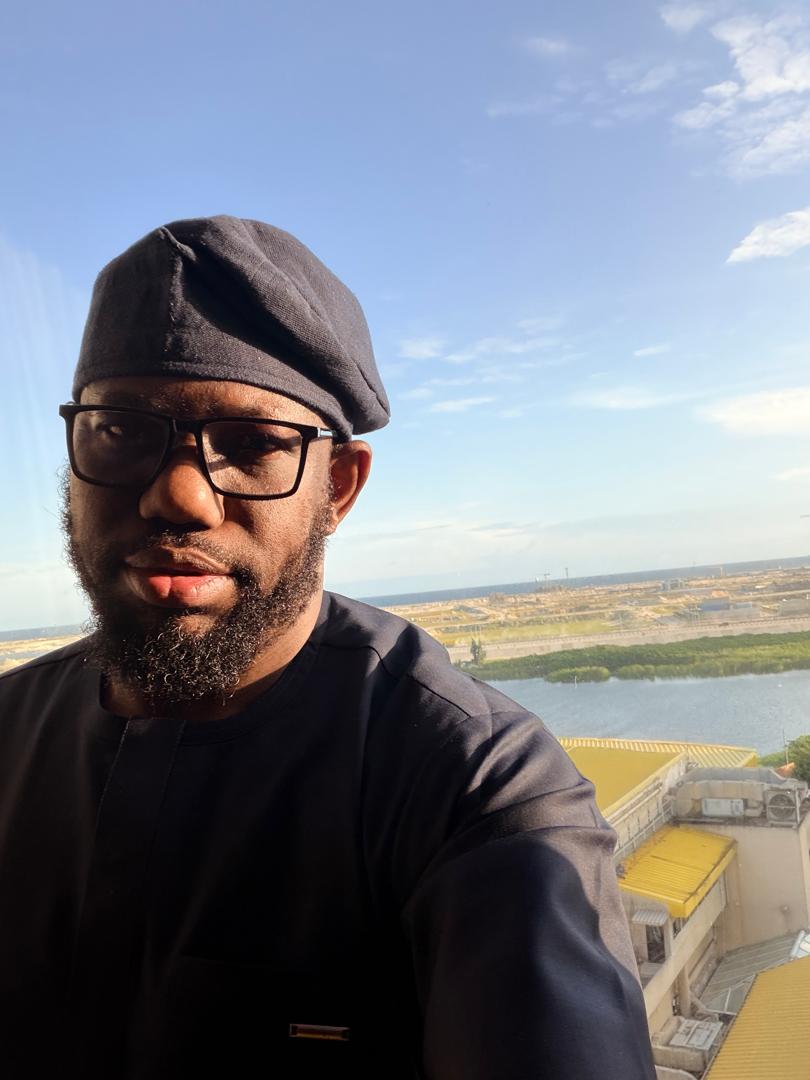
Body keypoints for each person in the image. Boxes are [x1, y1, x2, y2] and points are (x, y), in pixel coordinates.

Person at [0, 216, 655, 1079]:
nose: (179, 497)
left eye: (251, 446)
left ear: (338, 489)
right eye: (121, 431)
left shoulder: (472, 790)